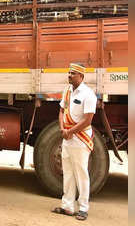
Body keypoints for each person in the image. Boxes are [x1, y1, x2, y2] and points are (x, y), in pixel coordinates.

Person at [52, 63, 97, 221]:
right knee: (68, 173)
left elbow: (88, 120)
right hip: (67, 138)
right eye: (69, 72)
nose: (69, 75)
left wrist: (70, 131)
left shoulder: (88, 94)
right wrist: (62, 129)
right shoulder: (67, 91)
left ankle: (83, 208)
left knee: (81, 174)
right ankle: (67, 206)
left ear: (81, 76)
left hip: (80, 139)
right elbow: (61, 111)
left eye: (73, 73)